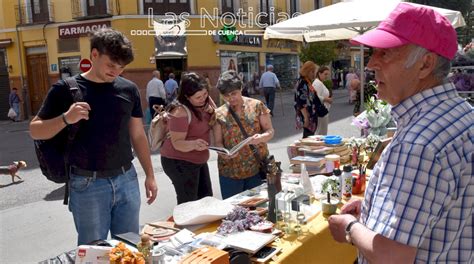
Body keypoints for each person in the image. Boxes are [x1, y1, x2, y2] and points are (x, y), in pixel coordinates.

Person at [327, 3, 473, 263]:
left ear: (425, 64)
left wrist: (349, 228)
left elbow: (392, 256)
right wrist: (373, 211)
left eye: (385, 53)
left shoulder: (418, 143)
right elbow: (447, 208)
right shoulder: (463, 114)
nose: (371, 63)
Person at [29, 28, 158, 246]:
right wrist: (66, 118)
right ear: (94, 55)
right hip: (87, 184)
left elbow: (137, 135)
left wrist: (150, 174)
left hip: (127, 179)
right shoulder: (64, 89)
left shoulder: (129, 89)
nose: (116, 72)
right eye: (111, 65)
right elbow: (35, 130)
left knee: (128, 248)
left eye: (121, 67)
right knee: (92, 252)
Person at [213, 70, 274, 199]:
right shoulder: (218, 113)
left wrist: (261, 138)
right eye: (226, 95)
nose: (231, 98)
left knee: (258, 210)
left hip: (256, 170)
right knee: (233, 211)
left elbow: (270, 131)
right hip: (230, 173)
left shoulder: (257, 106)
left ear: (241, 88)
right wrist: (223, 153)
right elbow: (218, 142)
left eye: (234, 93)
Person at [160, 72, 215, 204]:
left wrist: (212, 111)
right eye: (198, 97)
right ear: (187, 97)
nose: (203, 99)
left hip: (198, 160)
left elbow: (216, 115)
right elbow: (177, 143)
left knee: (206, 199)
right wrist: (194, 144)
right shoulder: (180, 112)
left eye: (205, 94)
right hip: (179, 161)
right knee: (189, 203)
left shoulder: (206, 101)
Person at [294, 61, 324, 138]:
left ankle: (304, 150)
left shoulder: (306, 81)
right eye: (314, 72)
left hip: (311, 114)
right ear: (310, 71)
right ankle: (302, 150)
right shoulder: (303, 82)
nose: (314, 75)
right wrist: (306, 118)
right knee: (308, 138)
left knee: (309, 136)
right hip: (308, 115)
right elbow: (301, 102)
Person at [312, 66, 333, 135]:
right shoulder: (317, 83)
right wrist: (326, 99)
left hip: (323, 110)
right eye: (325, 74)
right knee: (321, 132)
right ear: (319, 73)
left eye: (328, 74)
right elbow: (315, 97)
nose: (327, 76)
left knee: (322, 131)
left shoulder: (320, 82)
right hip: (321, 111)